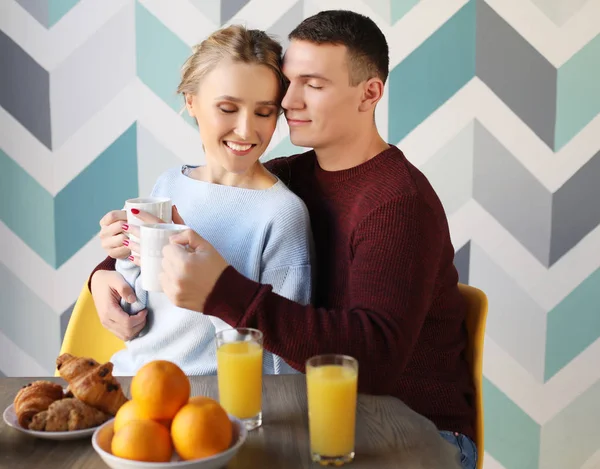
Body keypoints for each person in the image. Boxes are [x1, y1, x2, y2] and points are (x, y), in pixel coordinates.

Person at [90, 10, 477, 468]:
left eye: (312, 84)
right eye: (288, 83)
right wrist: (107, 270)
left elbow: (373, 361)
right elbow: (217, 223)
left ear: (369, 93)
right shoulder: (291, 175)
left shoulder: (398, 203)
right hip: (323, 419)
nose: (288, 101)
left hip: (414, 433)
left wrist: (221, 292)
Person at [99, 25, 313, 377]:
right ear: (191, 101)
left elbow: (282, 361)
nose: (246, 130)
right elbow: (147, 313)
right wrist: (122, 265)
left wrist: (214, 289)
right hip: (133, 379)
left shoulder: (282, 214)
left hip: (212, 401)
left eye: (264, 112)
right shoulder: (169, 183)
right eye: (227, 108)